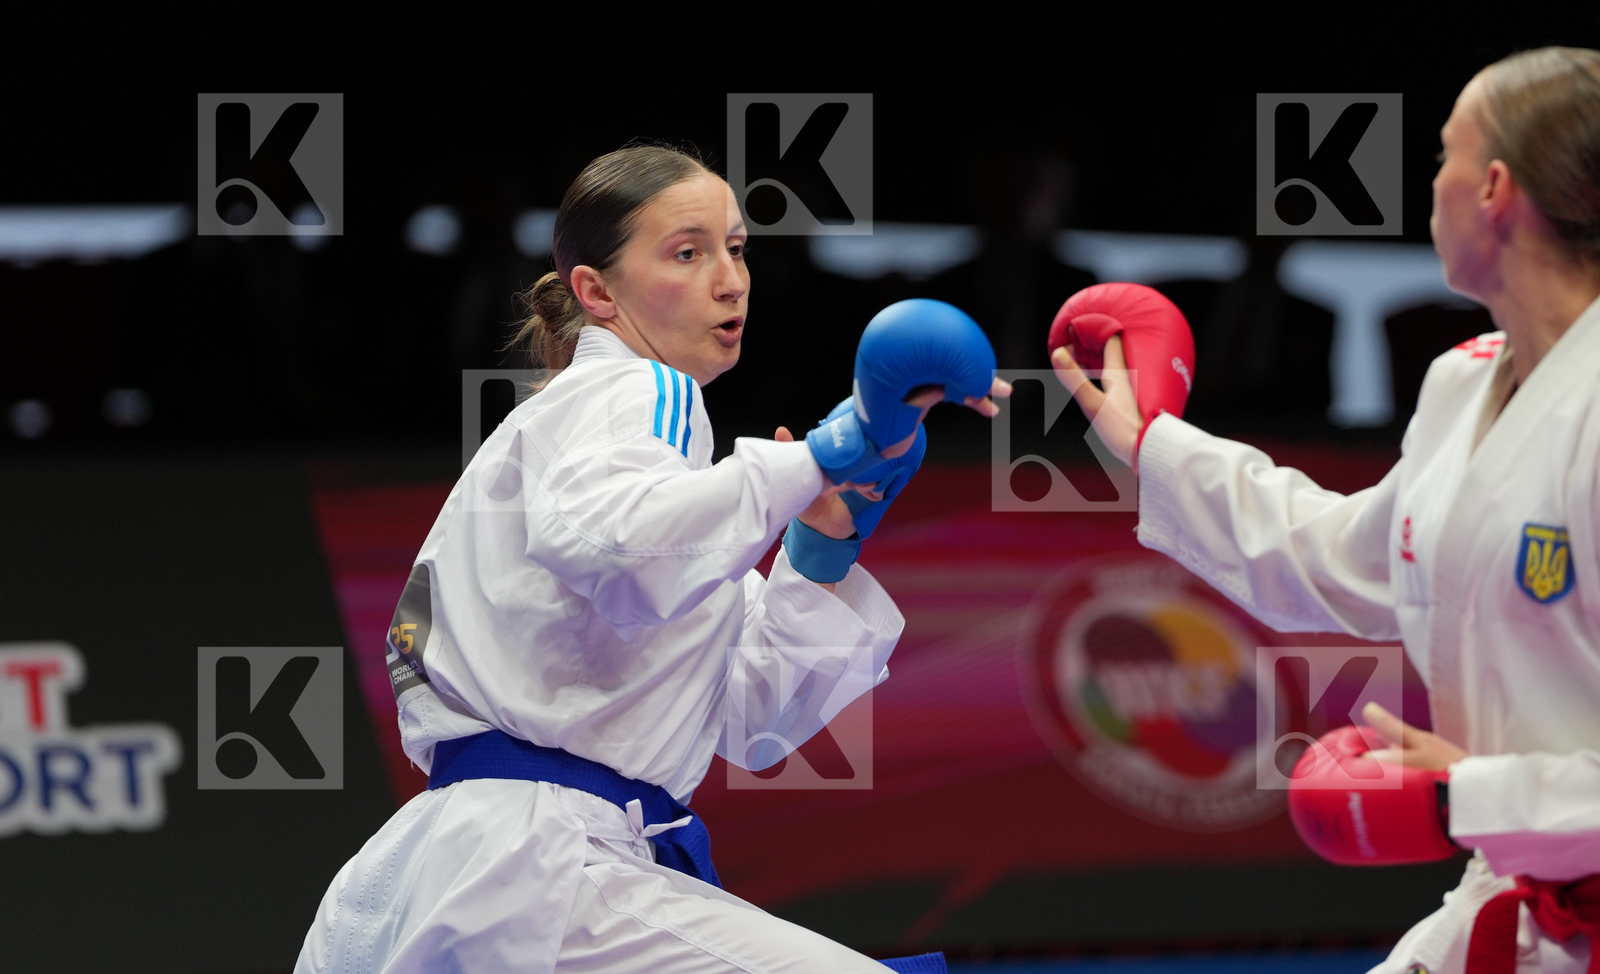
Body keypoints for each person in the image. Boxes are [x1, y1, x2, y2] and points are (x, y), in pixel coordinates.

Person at [294, 144, 1005, 974]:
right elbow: (627, 549)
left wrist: (819, 545)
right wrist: (825, 452)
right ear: (597, 293)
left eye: (736, 249)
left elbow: (753, 720)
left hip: (443, 880)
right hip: (535, 874)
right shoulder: (635, 392)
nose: (731, 278)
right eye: (687, 252)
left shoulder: (610, 463)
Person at [1053, 48, 1600, 974]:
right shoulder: (1461, 382)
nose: (1430, 187)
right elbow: (1351, 561)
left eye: (1442, 158)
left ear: (1494, 189)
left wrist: (1465, 798)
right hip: (1513, 910)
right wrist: (1152, 445)